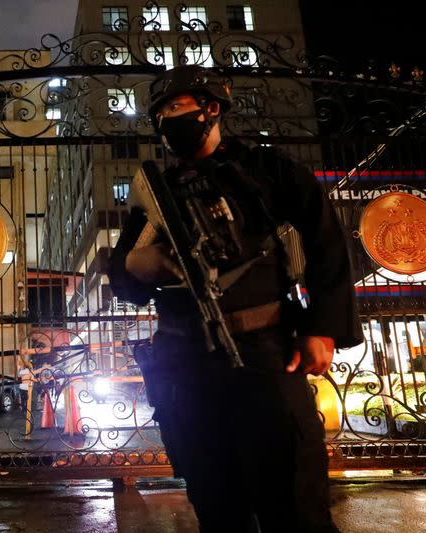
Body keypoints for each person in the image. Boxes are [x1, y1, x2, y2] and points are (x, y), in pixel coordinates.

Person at [108, 65, 363, 532]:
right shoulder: (156, 193)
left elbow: (326, 240)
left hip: (264, 352)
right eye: (161, 111)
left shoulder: (267, 170)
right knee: (215, 499)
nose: (167, 119)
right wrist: (140, 263)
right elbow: (125, 283)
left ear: (211, 108)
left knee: (293, 500)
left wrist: (321, 328)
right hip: (184, 364)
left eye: (177, 106)